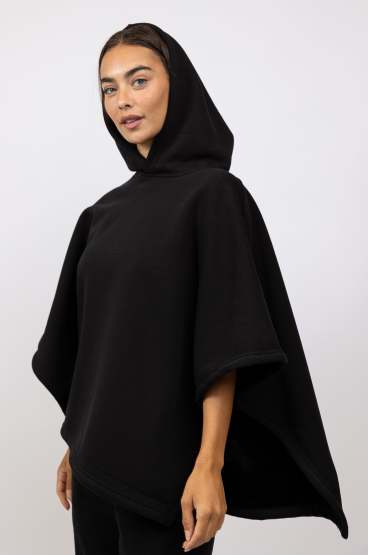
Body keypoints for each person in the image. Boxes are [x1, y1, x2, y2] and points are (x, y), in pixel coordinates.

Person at [32, 22, 349, 554]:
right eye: (109, 88)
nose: (122, 100)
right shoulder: (101, 214)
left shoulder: (215, 196)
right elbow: (95, 348)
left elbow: (226, 343)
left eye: (139, 80)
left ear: (177, 85)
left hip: (168, 478)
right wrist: (78, 442)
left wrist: (209, 465)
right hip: (94, 470)